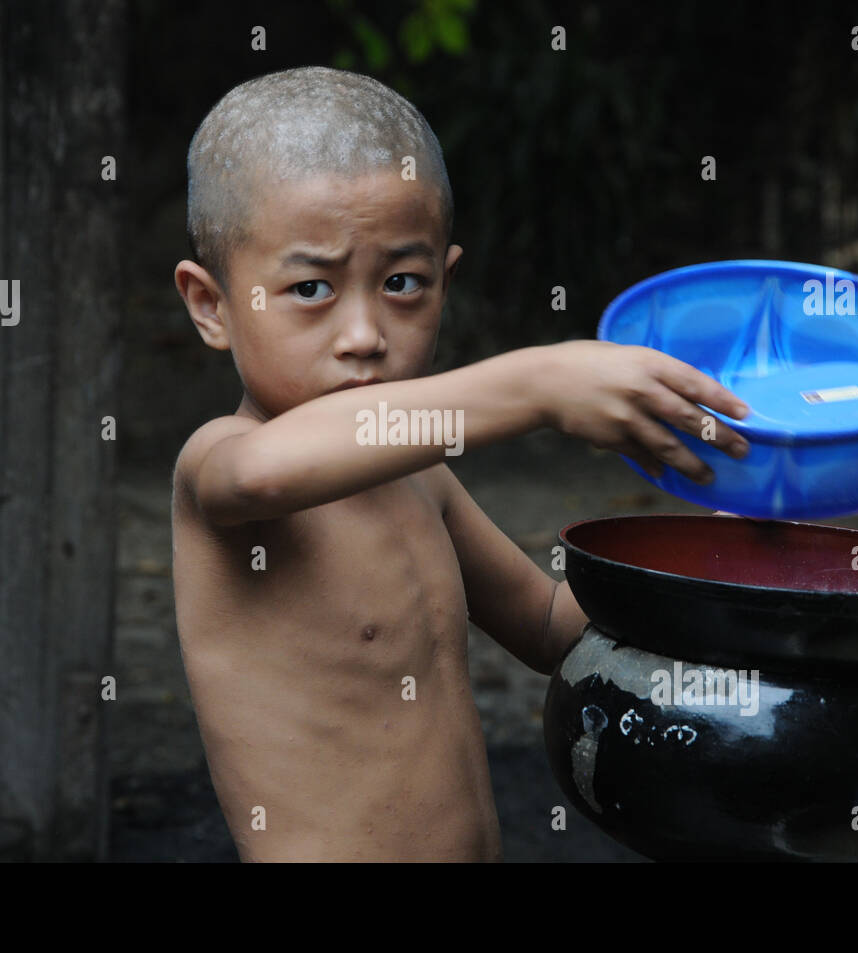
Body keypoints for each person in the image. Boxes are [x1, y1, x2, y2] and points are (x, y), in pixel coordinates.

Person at [171, 66, 750, 861]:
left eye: (402, 283)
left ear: (446, 281)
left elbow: (550, 629)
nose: (364, 334)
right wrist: (535, 385)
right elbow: (263, 475)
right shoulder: (221, 464)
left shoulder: (416, 477)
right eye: (311, 288)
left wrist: (715, 554)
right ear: (212, 305)